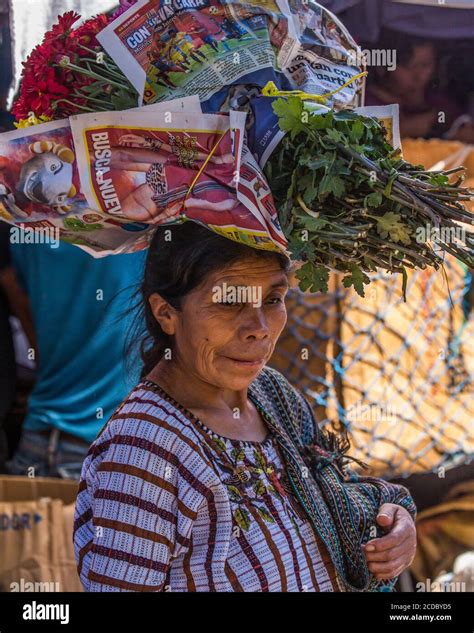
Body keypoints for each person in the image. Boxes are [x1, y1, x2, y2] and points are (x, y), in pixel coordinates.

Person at [74, 221, 417, 592]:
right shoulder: (142, 451)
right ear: (166, 314)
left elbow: (335, 498)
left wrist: (393, 526)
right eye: (229, 300)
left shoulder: (272, 395)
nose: (258, 327)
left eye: (272, 299)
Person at [5, 238, 146, 479]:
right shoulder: (145, 232)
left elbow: (21, 297)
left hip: (37, 437)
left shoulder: (28, 230)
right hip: (106, 452)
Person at [365, 30, 474, 142]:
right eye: (407, 66)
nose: (417, 76)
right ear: (382, 68)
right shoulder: (364, 102)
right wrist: (401, 130)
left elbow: (463, 127)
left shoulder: (439, 103)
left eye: (424, 65)